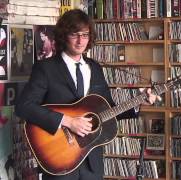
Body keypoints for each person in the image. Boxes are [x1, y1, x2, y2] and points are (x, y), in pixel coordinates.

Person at [15, 9, 159, 180]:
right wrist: (68, 121)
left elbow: (109, 110)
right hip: (60, 158)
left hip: (92, 162)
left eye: (85, 35)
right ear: (63, 36)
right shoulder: (46, 68)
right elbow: (24, 107)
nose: (80, 41)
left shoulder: (95, 68)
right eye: (75, 35)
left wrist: (139, 102)